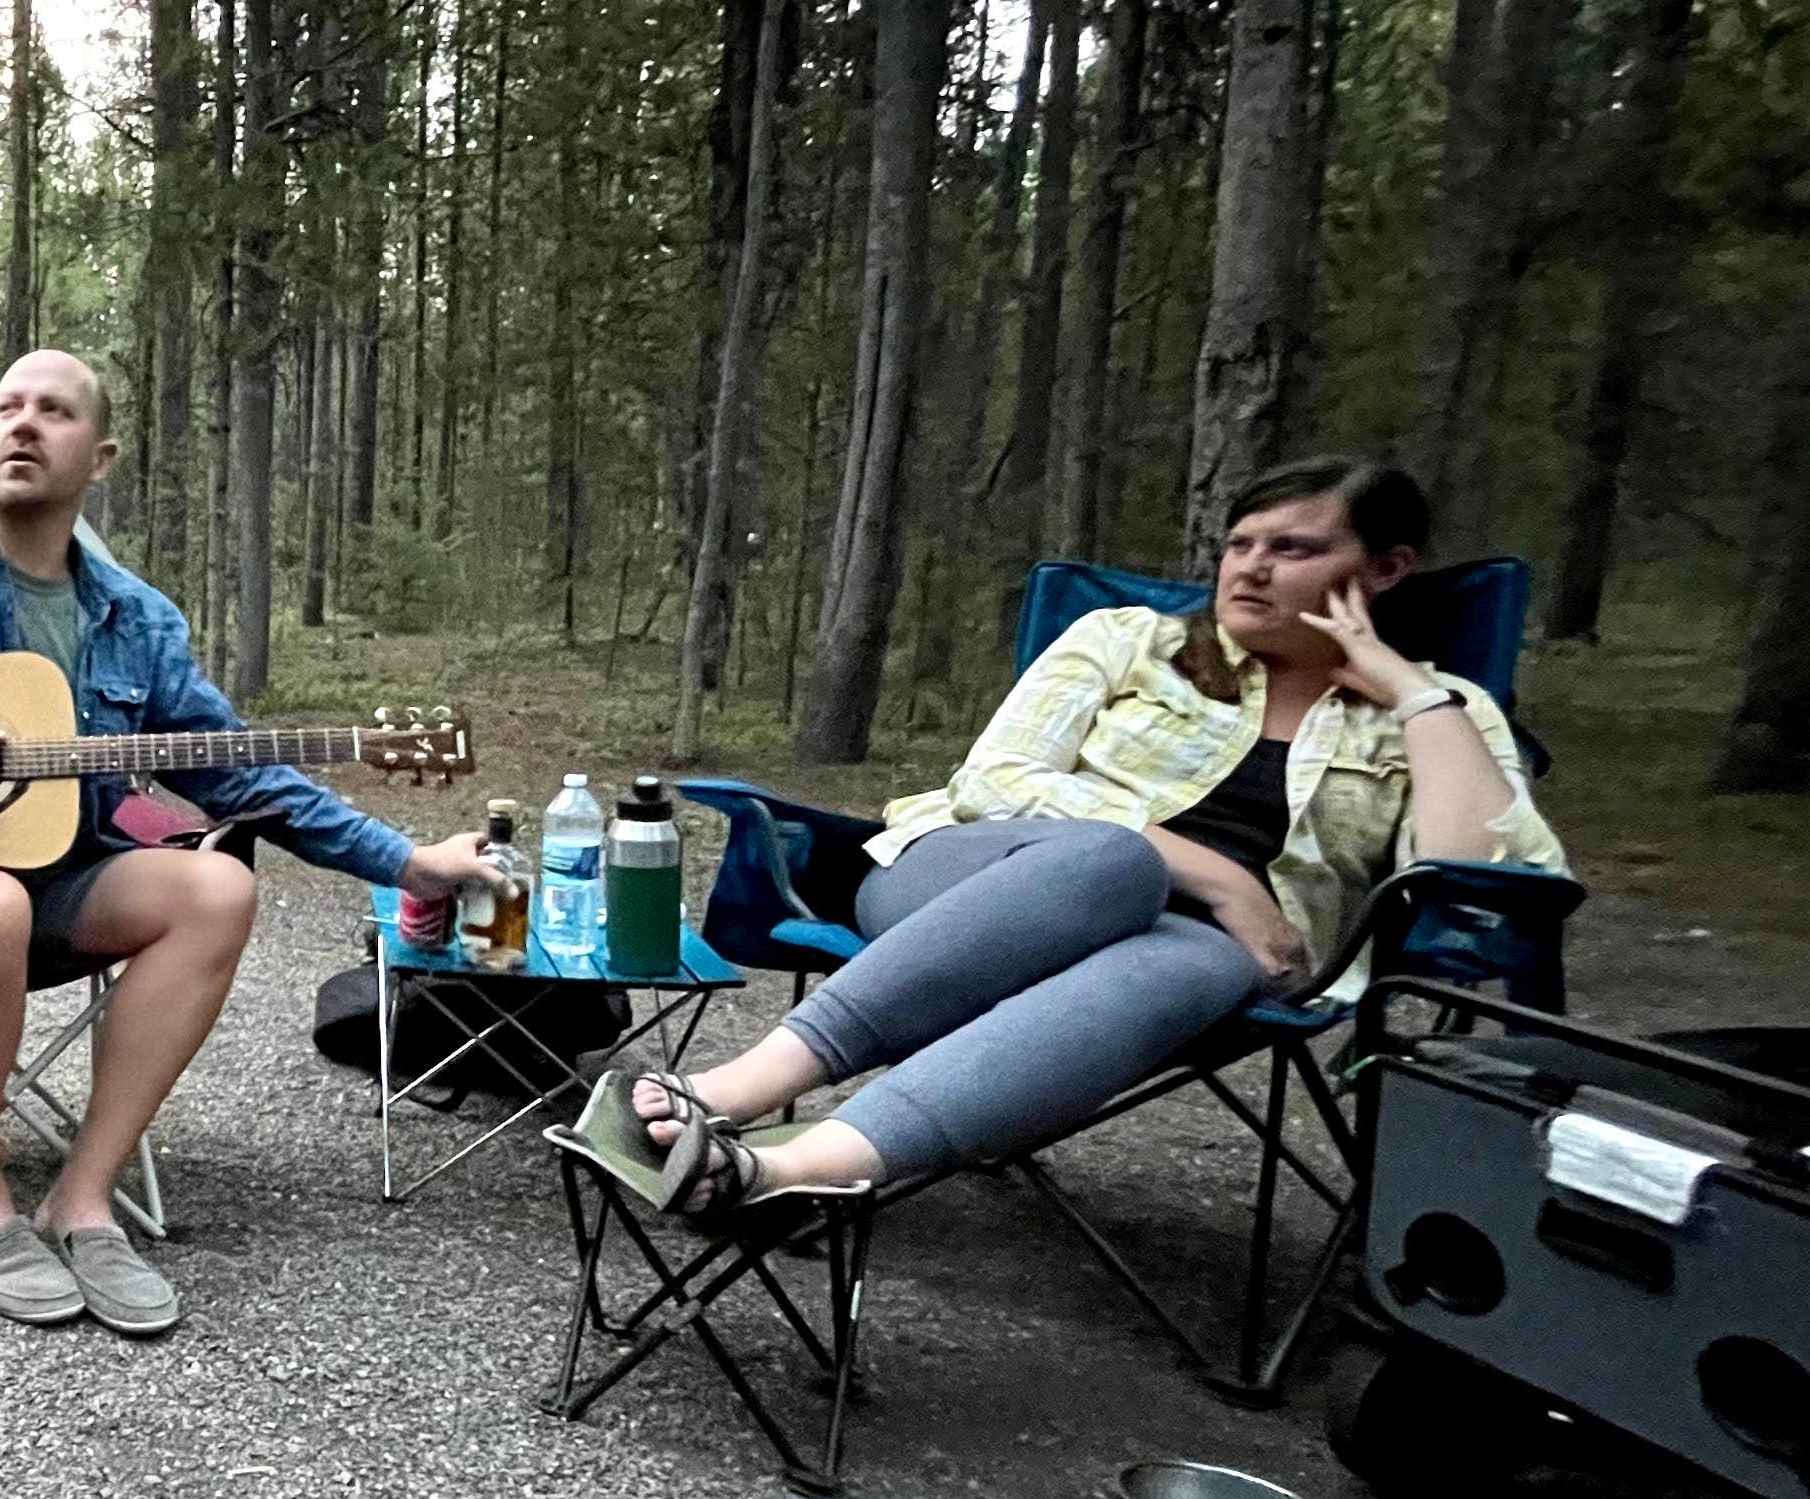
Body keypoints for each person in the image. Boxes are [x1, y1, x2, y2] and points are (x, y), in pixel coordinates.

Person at [0, 349, 510, 1337]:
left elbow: (243, 776)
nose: (23, 424)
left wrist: (411, 863)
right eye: (8, 407)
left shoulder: (137, 622)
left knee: (217, 891)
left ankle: (82, 1196)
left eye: (55, 411)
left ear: (101, 457)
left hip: (63, 884)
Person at [597, 457, 1565, 1216]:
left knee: (1197, 963)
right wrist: (1218, 877)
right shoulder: (1128, 640)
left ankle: (790, 1172)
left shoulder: (1440, 712)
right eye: (1239, 543)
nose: (1251, 567)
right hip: (980, 882)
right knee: (1114, 860)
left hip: (1203, 954)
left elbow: (1471, 878)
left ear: (1387, 569)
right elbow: (999, 783)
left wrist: (1412, 693)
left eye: (1293, 548)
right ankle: (733, 1089)